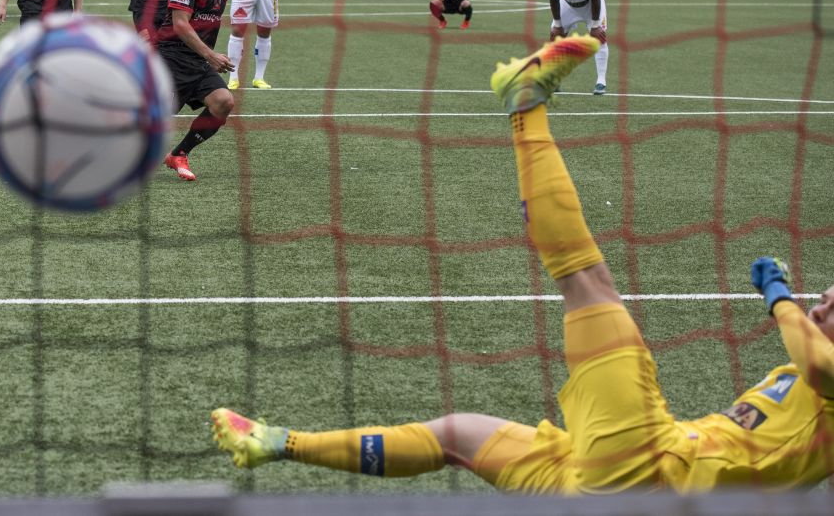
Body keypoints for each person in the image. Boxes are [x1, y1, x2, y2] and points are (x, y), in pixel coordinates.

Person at [211, 35, 834, 493]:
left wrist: (779, 295)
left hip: (645, 466)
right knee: (455, 437)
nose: (825, 301)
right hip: (608, 481)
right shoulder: (811, 386)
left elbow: (818, 359)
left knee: (585, 279)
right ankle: (276, 443)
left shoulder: (820, 368)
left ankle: (525, 104)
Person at [157, 0, 239, 182]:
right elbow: (180, 24)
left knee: (223, 102)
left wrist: (208, 57)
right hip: (170, 59)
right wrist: (210, 55)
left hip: (198, 62)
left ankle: (179, 154)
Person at [545, 0, 609, 95]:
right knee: (555, 38)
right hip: (567, 4)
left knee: (599, 37)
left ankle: (601, 81)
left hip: (590, 4)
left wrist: (595, 25)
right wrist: (557, 24)